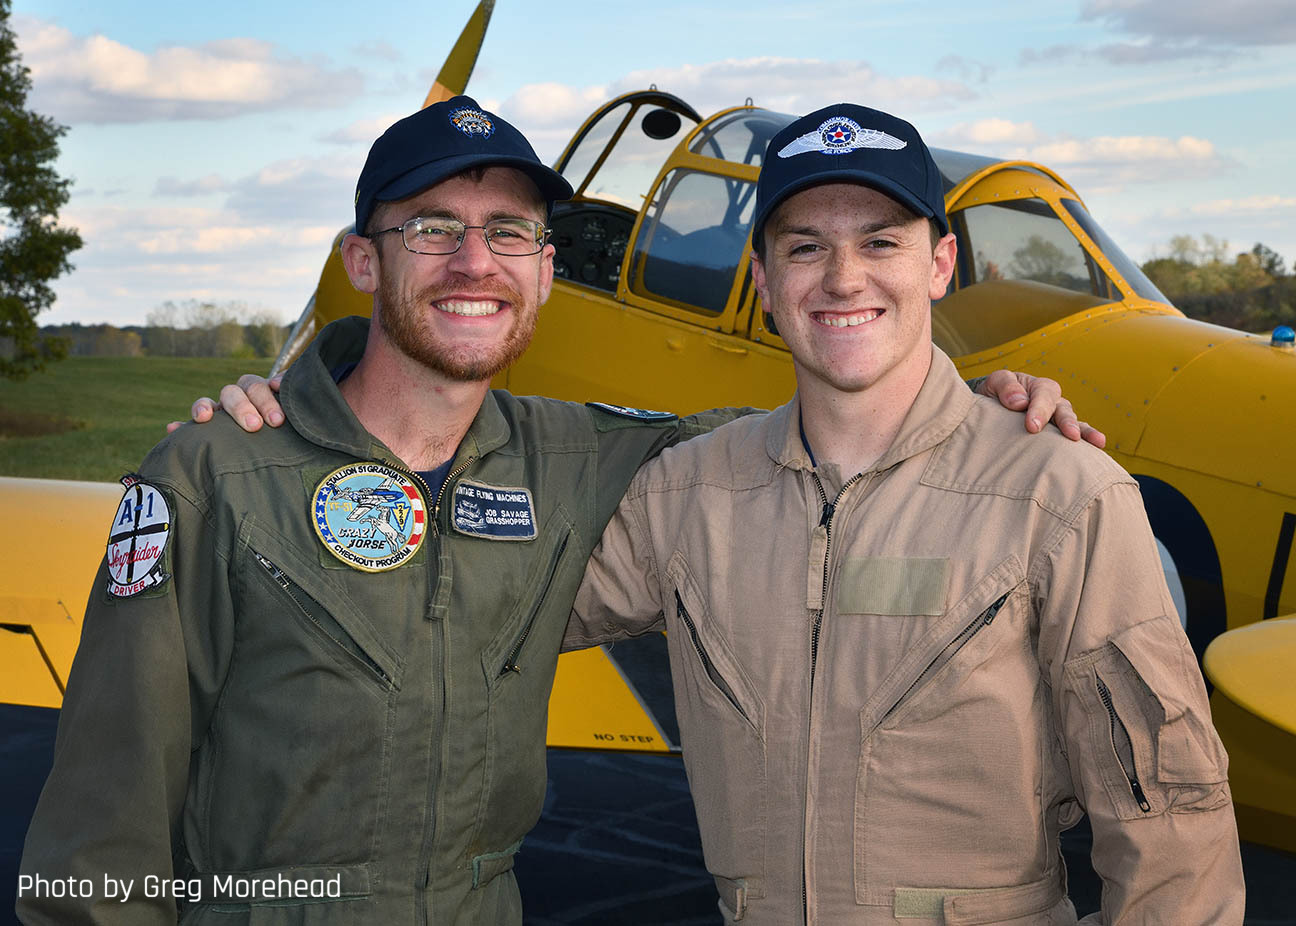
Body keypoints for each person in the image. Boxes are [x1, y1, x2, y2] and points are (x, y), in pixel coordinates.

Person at [19, 96, 1093, 926]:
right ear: (362, 260)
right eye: (432, 227)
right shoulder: (213, 472)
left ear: (542, 271)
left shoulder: (581, 456)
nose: (474, 262)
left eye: (512, 233)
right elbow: (98, 837)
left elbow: (811, 432)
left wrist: (980, 408)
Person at [564, 104, 1244, 924]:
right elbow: (493, 610)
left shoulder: (1064, 493)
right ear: (762, 278)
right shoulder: (686, 495)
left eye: (881, 241)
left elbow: (1174, 831)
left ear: (940, 263)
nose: (845, 278)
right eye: (805, 246)